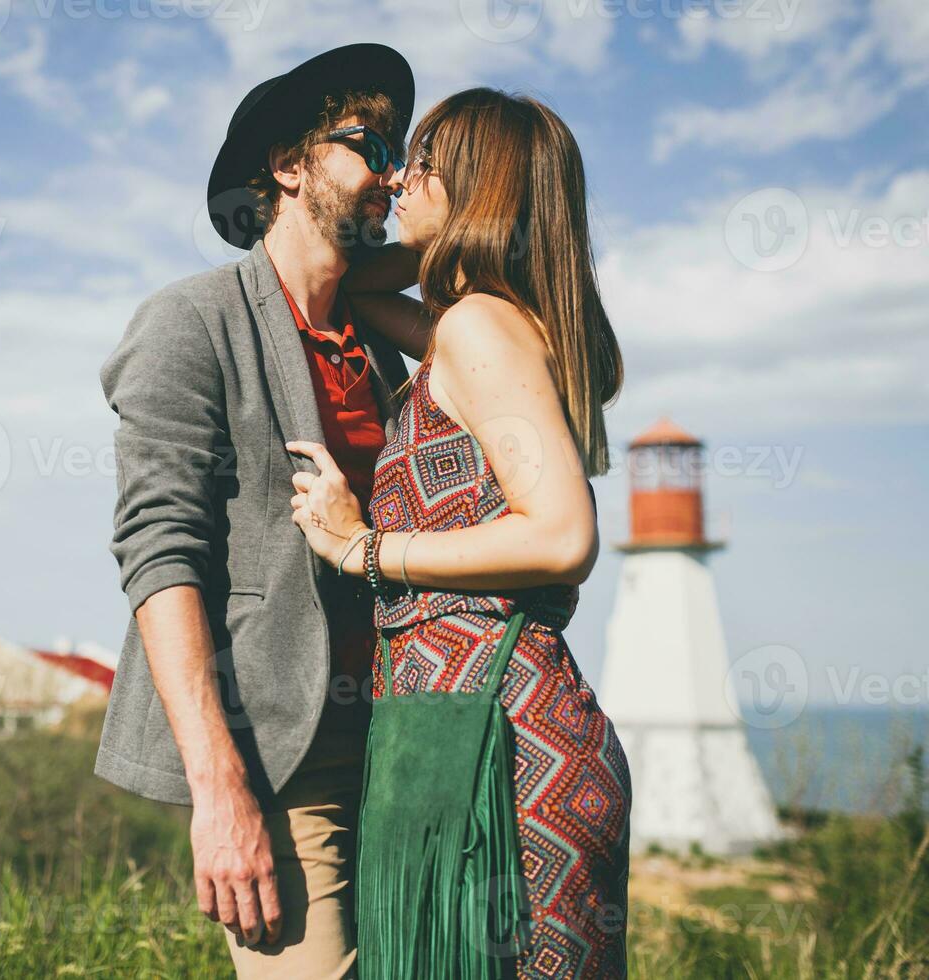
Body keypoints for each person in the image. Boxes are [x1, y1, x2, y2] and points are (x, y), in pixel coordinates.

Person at [286, 87, 632, 977]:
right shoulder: (478, 329)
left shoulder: (481, 328)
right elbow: (346, 282)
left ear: (477, 187)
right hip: (462, 722)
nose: (400, 176)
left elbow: (560, 534)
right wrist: (438, 233)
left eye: (425, 163)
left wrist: (364, 548)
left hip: (501, 741)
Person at [96, 43, 416, 978]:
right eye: (371, 147)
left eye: (400, 155)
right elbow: (161, 552)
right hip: (281, 754)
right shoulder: (189, 321)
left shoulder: (381, 348)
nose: (393, 175)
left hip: (399, 742)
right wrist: (219, 787)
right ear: (289, 164)